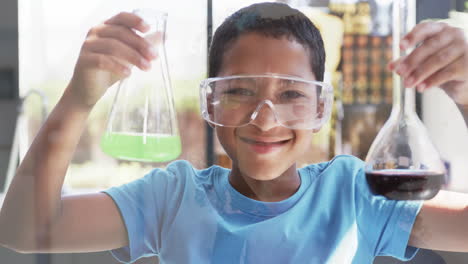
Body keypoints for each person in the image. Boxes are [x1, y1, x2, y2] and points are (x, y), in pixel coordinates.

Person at [1, 2, 467, 263]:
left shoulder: (356, 196)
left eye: (291, 95)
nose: (264, 120)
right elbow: (23, 230)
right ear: (210, 102)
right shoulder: (170, 198)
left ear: (321, 106)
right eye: (239, 91)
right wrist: (80, 97)